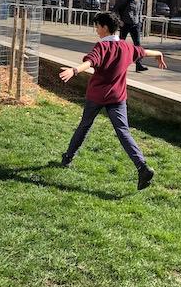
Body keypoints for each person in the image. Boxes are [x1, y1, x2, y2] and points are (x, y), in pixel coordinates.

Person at [58, 11, 167, 190]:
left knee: (84, 125)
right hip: (117, 96)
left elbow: (91, 62)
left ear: (105, 27)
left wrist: (75, 71)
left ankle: (68, 157)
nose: (96, 30)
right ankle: (142, 167)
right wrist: (159, 53)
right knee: (123, 131)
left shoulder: (102, 47)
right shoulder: (127, 47)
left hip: (97, 96)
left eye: (97, 26)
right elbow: (143, 51)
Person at [115, 0, 147, 72]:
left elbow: (140, 10)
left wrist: (140, 21)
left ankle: (139, 64)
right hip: (125, 24)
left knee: (138, 44)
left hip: (135, 24)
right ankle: (116, 62)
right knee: (121, 44)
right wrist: (119, 21)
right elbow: (115, 8)